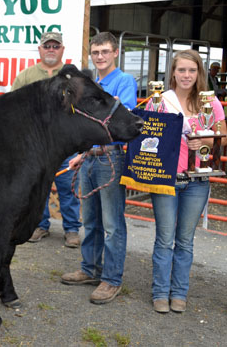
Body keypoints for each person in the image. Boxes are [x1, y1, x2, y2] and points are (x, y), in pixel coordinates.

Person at [146, 50, 226, 314]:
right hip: (166, 179)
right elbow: (148, 135)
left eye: (192, 70)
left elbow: (223, 138)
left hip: (197, 180)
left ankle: (179, 293)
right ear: (173, 72)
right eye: (182, 70)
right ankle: (160, 292)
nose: (186, 75)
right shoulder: (159, 101)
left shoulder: (210, 102)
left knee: (185, 240)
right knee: (164, 238)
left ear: (199, 73)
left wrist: (202, 140)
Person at [61, 32, 137, 304]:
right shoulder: (91, 83)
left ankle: (112, 279)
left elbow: (122, 117)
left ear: (115, 52)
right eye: (96, 53)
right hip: (90, 155)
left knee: (112, 223)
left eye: (105, 51)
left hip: (110, 156)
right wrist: (82, 152)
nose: (100, 57)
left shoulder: (124, 81)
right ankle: (90, 269)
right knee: (91, 218)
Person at [11, 31, 82, 248]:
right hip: (35, 145)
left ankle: (71, 229)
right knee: (36, 188)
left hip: (65, 144)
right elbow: (14, 107)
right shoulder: (25, 76)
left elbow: (82, 110)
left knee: (68, 187)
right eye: (47, 46)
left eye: (55, 46)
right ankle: (39, 225)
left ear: (62, 49)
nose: (51, 50)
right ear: (40, 49)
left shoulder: (73, 76)